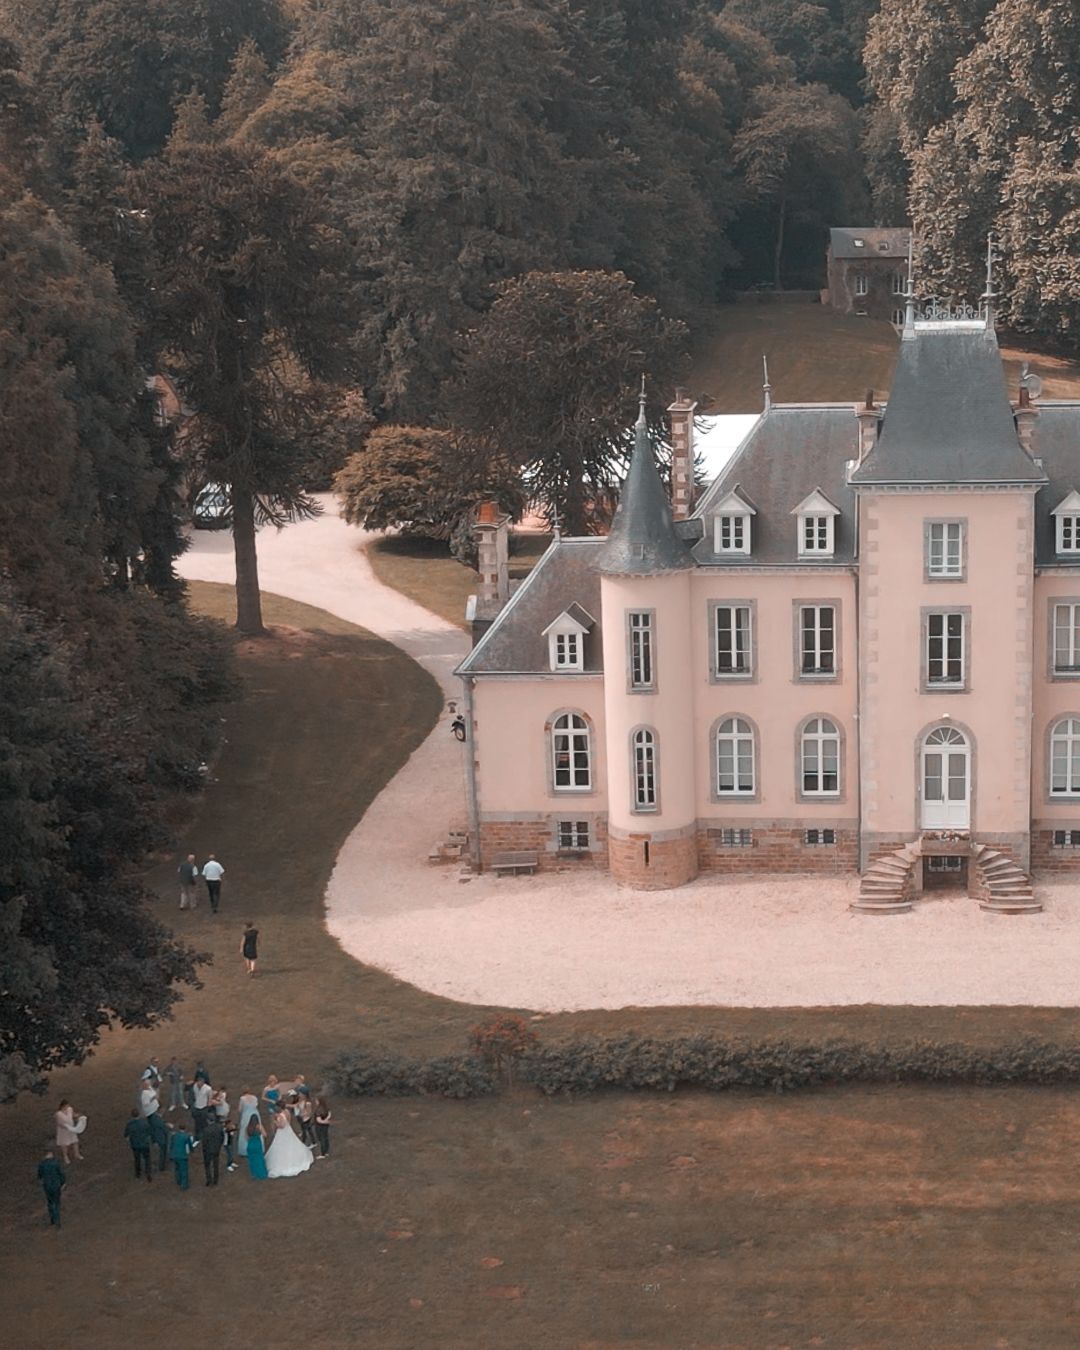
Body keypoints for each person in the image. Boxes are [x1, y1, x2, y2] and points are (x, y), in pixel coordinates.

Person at [265, 1105, 314, 1179]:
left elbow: (282, 1126)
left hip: (282, 1132)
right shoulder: (285, 1112)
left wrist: (275, 1122)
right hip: (287, 1130)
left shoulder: (280, 1117)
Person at [37, 1150, 66, 1227]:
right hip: (56, 1185)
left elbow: (39, 1176)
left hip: (47, 1186)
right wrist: (63, 1183)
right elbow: (61, 1174)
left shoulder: (41, 1164)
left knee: (50, 1202)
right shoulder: (56, 1163)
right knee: (56, 1203)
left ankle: (52, 1219)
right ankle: (57, 1221)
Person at [124, 1109, 153, 1182]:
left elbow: (126, 1135)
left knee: (137, 1159)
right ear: (139, 1115)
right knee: (147, 1159)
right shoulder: (144, 1123)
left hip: (135, 1145)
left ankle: (138, 1174)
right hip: (144, 1144)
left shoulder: (129, 1124)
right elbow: (149, 1132)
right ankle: (148, 1173)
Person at [54, 1100, 86, 1165]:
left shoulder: (70, 1109)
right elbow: (59, 1123)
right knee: (65, 1144)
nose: (68, 1106)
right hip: (63, 1131)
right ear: (63, 1106)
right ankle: (66, 1157)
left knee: (75, 1142)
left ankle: (77, 1154)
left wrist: (79, 1117)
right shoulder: (58, 1114)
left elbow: (73, 1115)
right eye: (67, 1105)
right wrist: (66, 1127)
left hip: (71, 1129)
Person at [200, 1115, 225, 1186]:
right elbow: (222, 1137)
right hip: (216, 1149)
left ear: (208, 1120)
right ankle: (215, 1180)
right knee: (216, 1165)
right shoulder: (219, 1127)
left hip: (208, 1150)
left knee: (207, 1165)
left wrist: (204, 1150)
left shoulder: (206, 1130)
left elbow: (204, 1142)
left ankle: (209, 1180)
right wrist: (219, 1145)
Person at [169, 1124, 194, 1190]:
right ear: (185, 1128)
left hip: (175, 1155)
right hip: (182, 1155)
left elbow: (171, 1145)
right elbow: (190, 1145)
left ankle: (178, 1181)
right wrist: (192, 1151)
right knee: (184, 1170)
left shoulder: (174, 1136)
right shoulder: (186, 1136)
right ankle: (184, 1185)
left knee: (177, 1168)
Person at [235, 1091, 259, 1158]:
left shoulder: (242, 1099)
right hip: (254, 1113)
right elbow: (256, 1105)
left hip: (246, 1115)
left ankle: (245, 1149)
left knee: (244, 1130)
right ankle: (256, 1146)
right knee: (256, 1128)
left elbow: (240, 1109)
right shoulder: (255, 1097)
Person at [190, 1075, 213, 1140]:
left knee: (203, 1122)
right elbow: (194, 1095)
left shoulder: (208, 1089)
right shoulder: (195, 1086)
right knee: (197, 1122)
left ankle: (204, 1135)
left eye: (200, 1082)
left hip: (204, 1107)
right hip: (197, 1106)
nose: (199, 1084)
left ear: (203, 1082)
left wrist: (208, 1104)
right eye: (198, 1082)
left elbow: (210, 1097)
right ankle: (197, 1135)